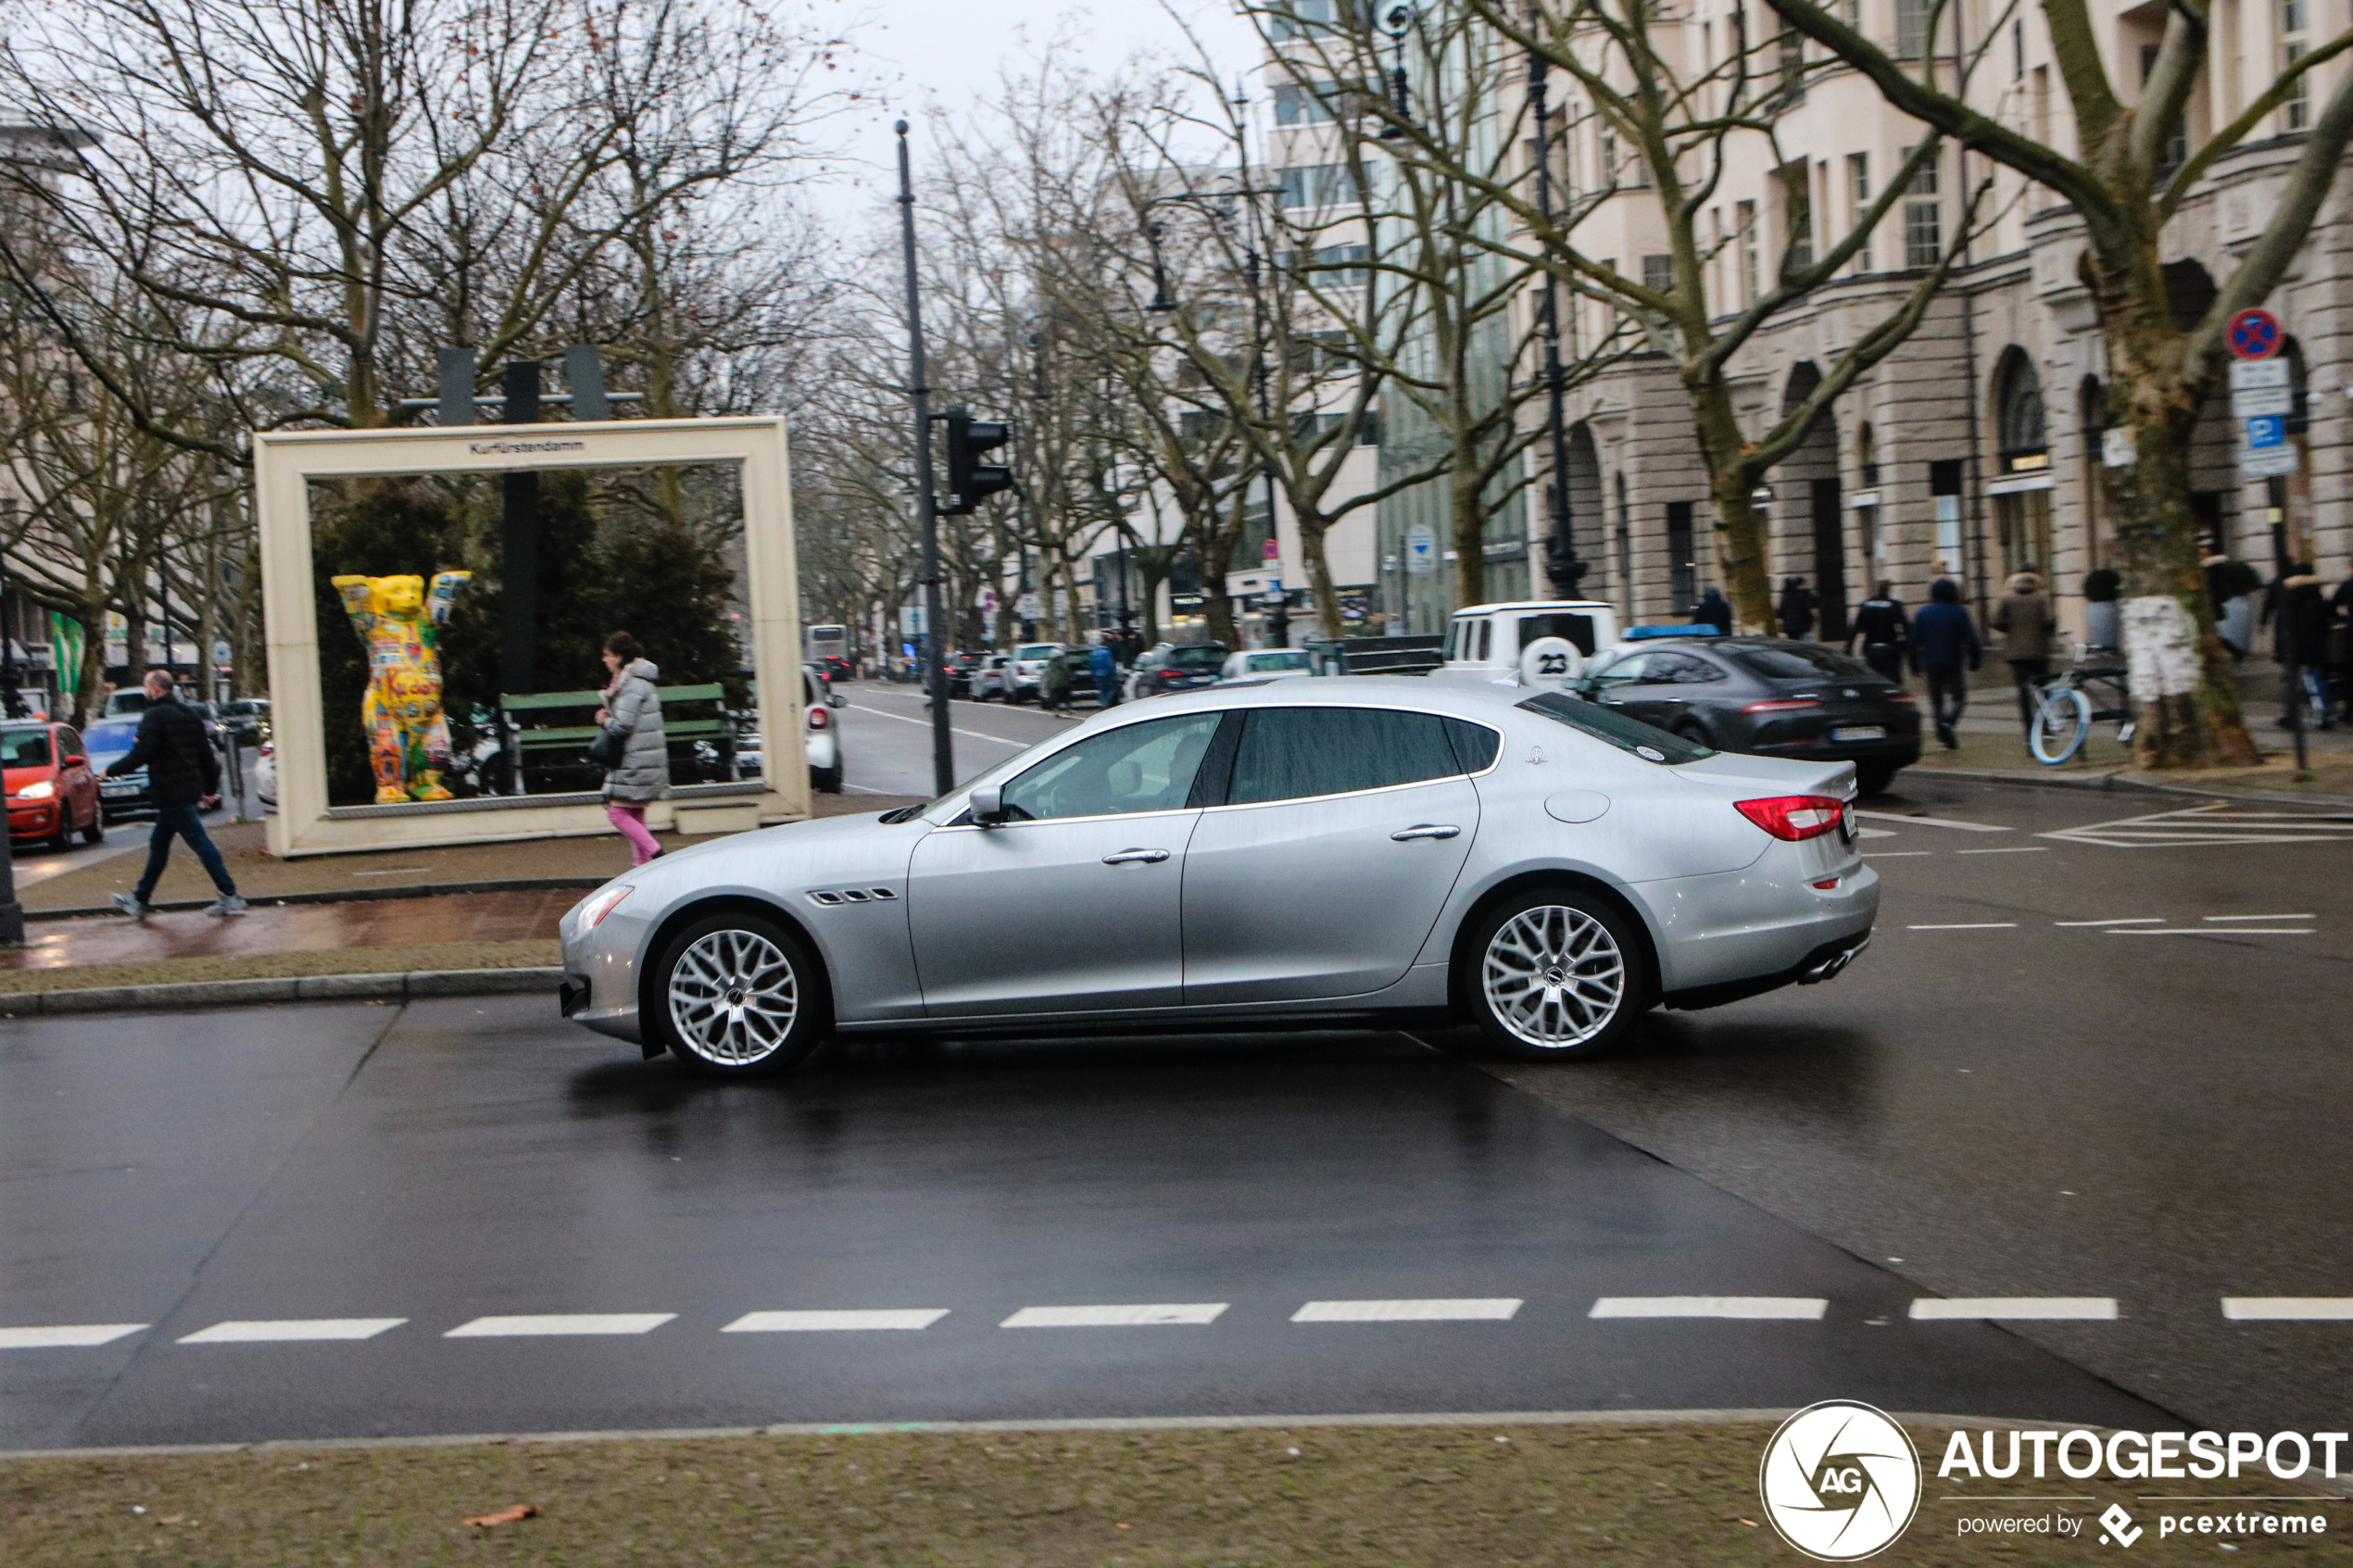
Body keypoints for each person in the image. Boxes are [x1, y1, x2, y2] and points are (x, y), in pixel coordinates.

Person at [107, 668, 244, 917]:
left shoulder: (154, 716)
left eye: (147, 687)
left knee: (199, 842)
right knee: (159, 844)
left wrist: (111, 771)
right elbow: (206, 755)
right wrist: (210, 789)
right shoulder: (189, 714)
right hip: (187, 787)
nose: (146, 692)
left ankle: (230, 894)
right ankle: (140, 899)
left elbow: (142, 753)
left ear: (156, 689)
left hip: (170, 791)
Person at [597, 632, 669, 866]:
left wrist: (603, 720)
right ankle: (642, 866)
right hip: (644, 757)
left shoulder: (631, 685)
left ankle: (656, 852)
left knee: (616, 813)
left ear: (618, 656)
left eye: (607, 655)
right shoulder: (638, 681)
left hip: (635, 758)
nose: (604, 660)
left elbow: (623, 725)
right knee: (636, 814)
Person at [1911, 578, 1982, 749]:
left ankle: (1943, 735)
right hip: (1953, 662)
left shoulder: (1922, 613)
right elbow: (1971, 639)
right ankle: (1949, 723)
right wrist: (1975, 661)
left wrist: (1914, 666)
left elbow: (1912, 643)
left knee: (1937, 702)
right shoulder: (1959, 612)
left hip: (1931, 663)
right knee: (1959, 698)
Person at [1990, 566, 2056, 734]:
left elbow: (1996, 621)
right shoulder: (2043, 596)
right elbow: (2049, 620)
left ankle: (2028, 728)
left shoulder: (2007, 597)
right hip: (2040, 651)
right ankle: (2046, 724)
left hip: (2016, 653)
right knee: (2043, 688)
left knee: (2023, 691)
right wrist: (2045, 631)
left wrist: (2010, 628)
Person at [2267, 563, 2334, 729]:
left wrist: (2280, 649)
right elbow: (2326, 620)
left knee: (2293, 681)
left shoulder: (2289, 597)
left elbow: (2284, 625)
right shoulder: (2318, 595)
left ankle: (2291, 715)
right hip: (2315, 645)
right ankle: (2321, 713)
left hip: (2295, 647)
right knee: (2314, 680)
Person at [1845, 581, 1910, 684]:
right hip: (1890, 649)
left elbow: (1855, 629)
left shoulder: (1866, 605)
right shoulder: (1894, 605)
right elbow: (1905, 628)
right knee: (1893, 682)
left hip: (1872, 649)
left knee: (1875, 681)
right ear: (1889, 590)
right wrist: (1904, 647)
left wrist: (1848, 649)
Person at [1778, 576, 1818, 640]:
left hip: (1789, 626)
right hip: (1800, 625)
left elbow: (1781, 612)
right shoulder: (1800, 595)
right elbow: (1805, 609)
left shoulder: (1785, 597)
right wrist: (1811, 619)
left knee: (1793, 641)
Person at [1043, 647, 1074, 714]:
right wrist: (1071, 676)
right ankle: (1068, 709)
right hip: (1062, 680)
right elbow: (1066, 669)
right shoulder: (1061, 661)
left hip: (1053, 681)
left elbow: (1048, 671)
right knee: (1066, 694)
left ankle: (1056, 709)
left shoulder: (1051, 662)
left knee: (1055, 695)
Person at [1088, 641, 1118, 709]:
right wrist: (1113, 673)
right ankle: (1105, 702)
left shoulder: (1092, 653)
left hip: (1096, 674)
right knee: (1111, 689)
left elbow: (1091, 665)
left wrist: (1093, 674)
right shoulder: (1106, 653)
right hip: (1106, 674)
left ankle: (1102, 702)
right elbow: (1109, 664)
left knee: (1102, 689)